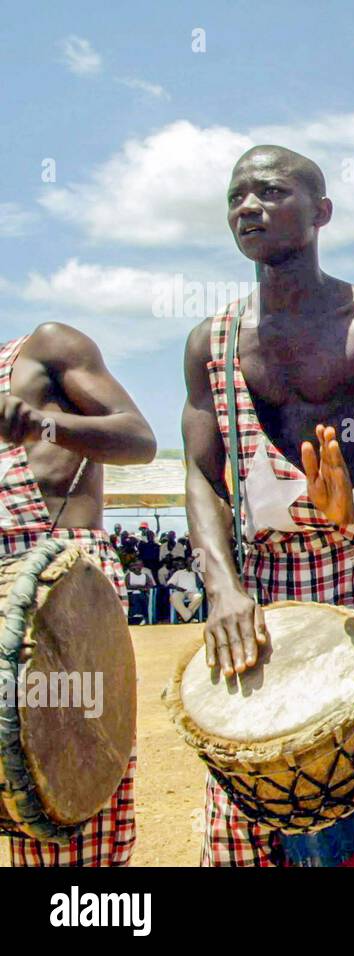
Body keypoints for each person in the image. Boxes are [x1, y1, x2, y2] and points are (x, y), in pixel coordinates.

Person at [181, 144, 354, 866]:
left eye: (271, 192)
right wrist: (222, 589)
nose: (249, 207)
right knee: (252, 784)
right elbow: (205, 478)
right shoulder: (209, 345)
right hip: (263, 585)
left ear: (322, 211)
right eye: (237, 196)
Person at [0, 322, 156, 865]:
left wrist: (42, 424)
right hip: (3, 594)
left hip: (67, 583)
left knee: (70, 794)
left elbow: (139, 439)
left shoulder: (46, 347)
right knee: (15, 798)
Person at [168, 556, 205, 622]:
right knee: (173, 597)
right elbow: (170, 584)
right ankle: (188, 617)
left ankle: (184, 617)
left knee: (199, 596)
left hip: (193, 592)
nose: (191, 563)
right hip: (180, 592)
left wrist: (196, 572)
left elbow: (200, 585)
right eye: (189, 561)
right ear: (186, 562)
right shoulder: (179, 572)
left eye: (193, 562)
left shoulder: (199, 573)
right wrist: (177, 588)